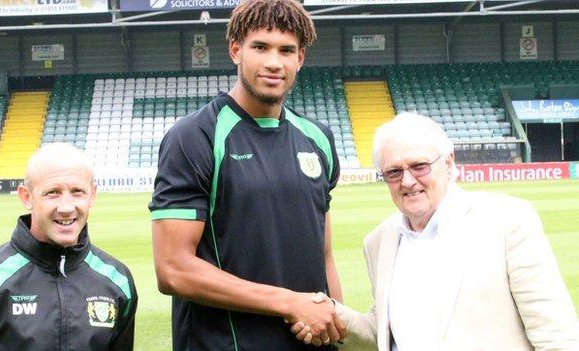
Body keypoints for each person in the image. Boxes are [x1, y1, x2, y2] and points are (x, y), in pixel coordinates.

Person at [149, 0, 345, 350]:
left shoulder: (319, 139)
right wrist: (289, 302)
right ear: (236, 50)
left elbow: (324, 255)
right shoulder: (194, 137)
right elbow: (173, 269)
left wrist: (334, 323)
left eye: (286, 50)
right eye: (260, 47)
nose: (274, 62)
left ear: (299, 59)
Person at [293, 112, 579, 350]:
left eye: (419, 166)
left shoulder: (508, 221)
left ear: (449, 162)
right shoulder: (379, 241)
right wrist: (330, 311)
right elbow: (382, 332)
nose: (407, 181)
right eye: (393, 172)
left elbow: (556, 336)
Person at [0, 143, 138, 351]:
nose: (66, 207)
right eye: (52, 193)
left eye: (77, 192)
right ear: (27, 197)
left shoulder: (119, 280)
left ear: (92, 195)